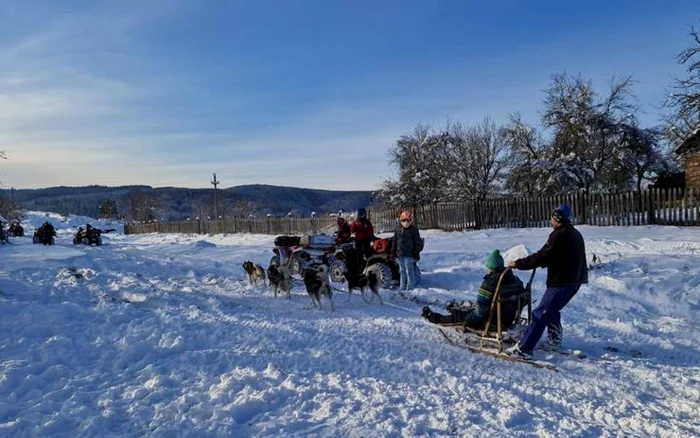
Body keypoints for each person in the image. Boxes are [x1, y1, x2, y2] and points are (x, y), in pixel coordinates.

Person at [505, 204, 587, 359]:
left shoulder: (559, 235)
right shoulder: (574, 233)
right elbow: (558, 256)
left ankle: (524, 348)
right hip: (575, 280)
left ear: (557, 218)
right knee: (552, 309)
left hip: (562, 281)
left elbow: (543, 256)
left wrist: (518, 264)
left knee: (540, 313)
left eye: (552, 217)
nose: (551, 220)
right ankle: (554, 341)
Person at [422, 250, 526, 328]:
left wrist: (467, 321)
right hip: (508, 318)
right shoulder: (516, 280)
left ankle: (434, 318)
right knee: (471, 307)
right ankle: (454, 309)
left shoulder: (489, 284)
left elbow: (480, 312)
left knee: (461, 316)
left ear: (491, 268)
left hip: (492, 321)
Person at [390, 211, 422, 290]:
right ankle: (402, 286)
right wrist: (392, 252)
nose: (406, 222)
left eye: (408, 220)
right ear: (401, 220)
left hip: (409, 254)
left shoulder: (413, 230)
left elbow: (418, 242)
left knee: (409, 271)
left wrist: (415, 252)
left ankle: (410, 286)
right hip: (400, 254)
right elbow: (394, 241)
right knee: (402, 271)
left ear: (411, 220)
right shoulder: (398, 229)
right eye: (404, 220)